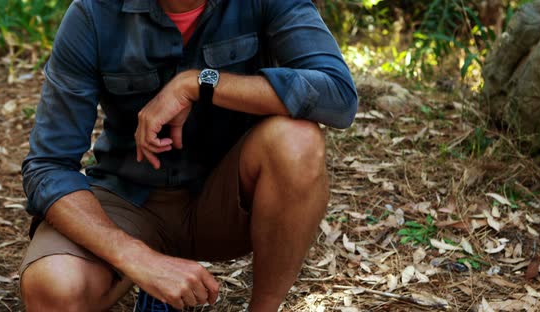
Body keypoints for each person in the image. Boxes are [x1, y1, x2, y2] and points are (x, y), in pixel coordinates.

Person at [19, 0, 358, 311]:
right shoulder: (94, 13)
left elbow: (338, 96)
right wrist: (135, 256)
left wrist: (198, 83)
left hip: (229, 199)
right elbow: (48, 165)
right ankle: (137, 270)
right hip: (128, 198)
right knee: (52, 287)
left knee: (297, 139)